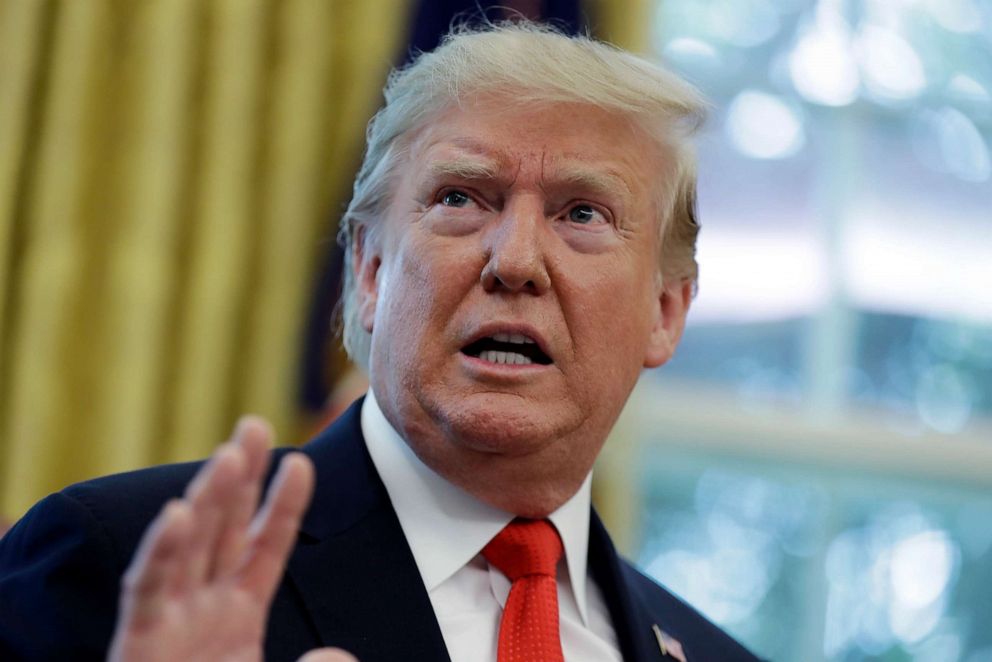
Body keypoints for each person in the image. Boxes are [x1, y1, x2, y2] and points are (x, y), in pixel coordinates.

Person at [0, 22, 761, 662]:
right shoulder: (114, 562)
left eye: (583, 215)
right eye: (461, 198)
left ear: (665, 310)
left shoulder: (713, 652)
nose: (517, 261)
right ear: (368, 270)